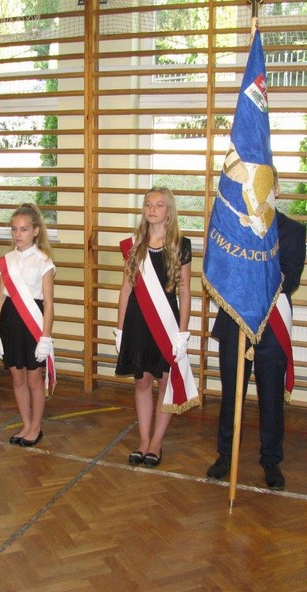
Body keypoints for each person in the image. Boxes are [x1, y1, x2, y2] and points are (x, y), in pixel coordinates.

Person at [207, 172, 306, 489]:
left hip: (272, 322)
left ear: (277, 189)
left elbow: (291, 279)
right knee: (231, 394)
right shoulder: (233, 225)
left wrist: (255, 275)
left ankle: (272, 461)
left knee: (271, 397)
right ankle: (226, 454)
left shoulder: (293, 230)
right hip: (235, 321)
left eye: (267, 185)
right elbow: (220, 271)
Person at [114, 187, 192, 468]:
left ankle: (157, 442)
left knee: (165, 382)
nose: (152, 209)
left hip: (166, 323)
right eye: (148, 204)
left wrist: (182, 333)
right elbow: (125, 290)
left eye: (159, 205)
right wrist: (120, 329)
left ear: (169, 212)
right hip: (137, 322)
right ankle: (143, 440)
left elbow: (185, 292)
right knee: (142, 381)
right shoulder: (134, 245)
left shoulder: (181, 245)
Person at [0, 203, 55, 447]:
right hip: (10, 322)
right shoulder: (5, 261)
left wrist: (45, 337)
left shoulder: (43, 261)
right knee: (17, 378)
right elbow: (0, 299)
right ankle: (26, 424)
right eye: (14, 229)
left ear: (36, 231)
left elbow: (49, 303)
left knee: (34, 380)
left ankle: (36, 426)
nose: (18, 234)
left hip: (33, 324)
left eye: (24, 229)